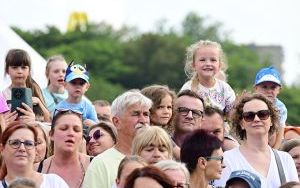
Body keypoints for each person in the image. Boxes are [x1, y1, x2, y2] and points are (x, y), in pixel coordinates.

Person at [214, 93, 299, 187]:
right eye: (249, 116)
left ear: (271, 121)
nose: (256, 119)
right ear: (241, 124)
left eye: (263, 114)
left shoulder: (285, 159)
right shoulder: (227, 159)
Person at [83, 90, 152, 188]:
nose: (143, 120)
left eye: (146, 114)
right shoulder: (101, 163)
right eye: (136, 114)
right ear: (116, 122)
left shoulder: (156, 157)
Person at [0, 121, 69, 187]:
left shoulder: (54, 183)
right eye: (15, 143)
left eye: (28, 144)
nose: (22, 148)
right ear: (2, 149)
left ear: (35, 150)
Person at [36, 109, 92, 188]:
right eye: (63, 128)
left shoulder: (95, 164)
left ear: (82, 137)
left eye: (76, 130)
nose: (71, 133)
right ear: (51, 134)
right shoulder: (36, 169)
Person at [180, 40, 235, 114]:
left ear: (219, 65)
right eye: (202, 60)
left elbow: (232, 114)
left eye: (213, 60)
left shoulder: (225, 88)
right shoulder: (188, 88)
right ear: (193, 65)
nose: (208, 63)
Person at [2, 49, 50, 122]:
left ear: (29, 71)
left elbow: (49, 122)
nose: (19, 71)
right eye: (14, 67)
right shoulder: (3, 95)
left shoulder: (35, 89)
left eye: (24, 67)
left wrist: (34, 120)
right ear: (7, 70)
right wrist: (5, 123)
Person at [55, 62, 98, 126]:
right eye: (73, 83)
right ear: (65, 85)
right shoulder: (60, 107)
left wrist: (92, 124)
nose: (78, 86)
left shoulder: (89, 108)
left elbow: (97, 129)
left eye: (81, 83)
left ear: (87, 87)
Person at [254, 66, 287, 149]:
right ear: (256, 88)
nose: (269, 91)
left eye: (273, 87)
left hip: (271, 141)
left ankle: (269, 152)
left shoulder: (280, 107)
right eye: (264, 87)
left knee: (272, 132)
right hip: (251, 135)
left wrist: (275, 150)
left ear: (279, 89)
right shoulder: (250, 104)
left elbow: (280, 130)